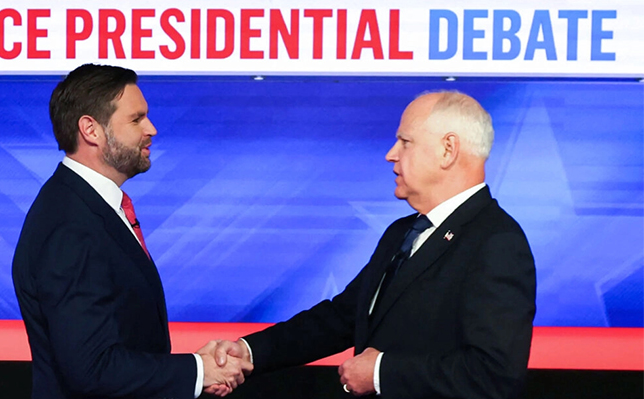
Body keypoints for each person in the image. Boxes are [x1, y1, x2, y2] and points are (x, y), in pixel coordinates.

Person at [212, 90, 536, 399]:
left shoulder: (497, 243)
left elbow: (494, 376)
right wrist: (250, 351)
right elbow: (342, 318)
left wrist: (381, 372)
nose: (390, 154)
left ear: (448, 150)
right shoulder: (401, 232)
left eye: (405, 142)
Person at [12, 64, 251, 399]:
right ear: (91, 130)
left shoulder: (88, 208)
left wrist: (196, 368)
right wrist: (198, 370)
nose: (151, 129)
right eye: (136, 119)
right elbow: (92, 368)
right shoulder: (70, 224)